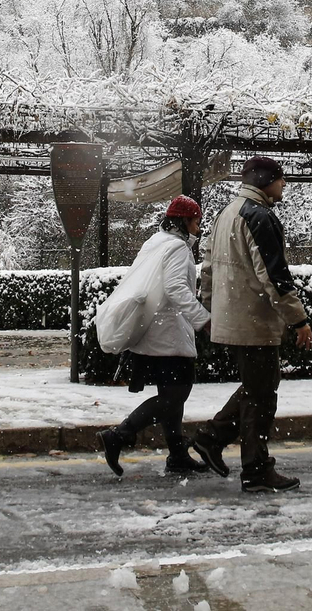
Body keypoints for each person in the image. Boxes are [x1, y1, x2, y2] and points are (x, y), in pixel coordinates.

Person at [190, 155, 312, 493]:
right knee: (261, 397)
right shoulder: (258, 216)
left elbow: (209, 269)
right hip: (254, 321)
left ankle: (211, 439)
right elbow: (273, 277)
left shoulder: (225, 214)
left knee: (256, 388)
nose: (284, 184)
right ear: (264, 180)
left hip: (233, 319)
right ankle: (256, 471)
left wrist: (211, 313)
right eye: (280, 178)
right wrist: (298, 319)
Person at [97, 195, 213, 477]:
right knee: (175, 395)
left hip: (154, 331)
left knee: (170, 395)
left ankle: (177, 455)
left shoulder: (156, 242)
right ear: (185, 221)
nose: (200, 224)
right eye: (196, 219)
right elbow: (175, 288)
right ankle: (119, 434)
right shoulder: (177, 248)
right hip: (168, 334)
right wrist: (202, 319)